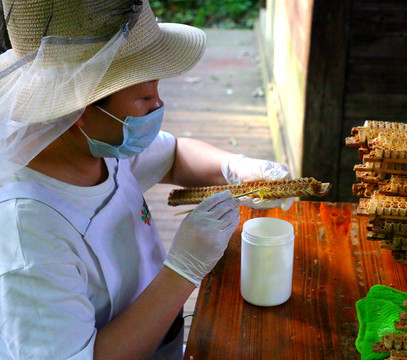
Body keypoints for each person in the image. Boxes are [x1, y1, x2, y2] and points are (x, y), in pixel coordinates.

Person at [0, 1, 293, 359]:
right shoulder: (26, 234)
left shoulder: (100, 147)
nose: (158, 106)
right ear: (78, 109)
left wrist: (236, 167)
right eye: (143, 96)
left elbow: (174, 156)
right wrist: (183, 270)